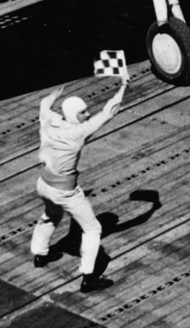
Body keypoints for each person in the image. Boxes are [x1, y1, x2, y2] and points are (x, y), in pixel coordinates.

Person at [30, 80, 128, 292]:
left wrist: (55, 93)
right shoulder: (78, 132)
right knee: (93, 228)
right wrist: (122, 87)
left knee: (51, 215)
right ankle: (88, 277)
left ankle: (40, 254)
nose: (87, 114)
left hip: (44, 183)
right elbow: (108, 112)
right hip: (65, 191)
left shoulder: (50, 120)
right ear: (75, 116)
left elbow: (44, 104)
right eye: (83, 112)